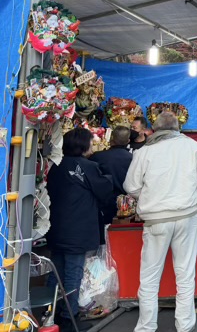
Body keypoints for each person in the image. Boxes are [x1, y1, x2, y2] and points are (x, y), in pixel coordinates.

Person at [124, 112, 197, 332]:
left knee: (149, 275)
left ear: (154, 130)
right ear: (177, 128)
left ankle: (146, 326)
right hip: (186, 216)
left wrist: (147, 197)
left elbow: (131, 186)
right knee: (185, 273)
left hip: (155, 219)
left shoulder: (145, 151)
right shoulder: (192, 147)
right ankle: (184, 325)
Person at [46, 128, 114, 329]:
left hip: (56, 225)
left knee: (55, 270)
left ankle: (49, 312)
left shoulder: (54, 165)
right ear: (83, 146)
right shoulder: (87, 166)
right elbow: (104, 191)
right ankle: (70, 314)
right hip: (78, 227)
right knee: (73, 272)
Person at [91, 126, 133, 223]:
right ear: (128, 141)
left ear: (111, 139)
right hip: (127, 206)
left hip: (103, 205)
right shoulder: (133, 159)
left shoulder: (97, 157)